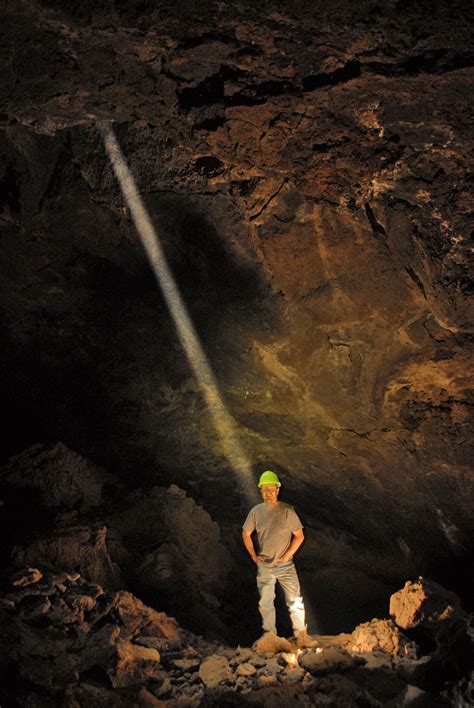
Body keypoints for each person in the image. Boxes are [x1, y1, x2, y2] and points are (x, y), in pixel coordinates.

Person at [242, 470, 317, 648]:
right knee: (266, 602)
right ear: (261, 491)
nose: (268, 491)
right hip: (265, 565)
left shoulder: (287, 511)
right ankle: (270, 636)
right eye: (265, 488)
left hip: (285, 566)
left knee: (295, 601)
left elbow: (299, 536)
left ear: (277, 490)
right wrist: (253, 556)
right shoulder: (256, 512)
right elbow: (246, 533)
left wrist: (287, 556)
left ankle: (301, 636)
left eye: (272, 488)